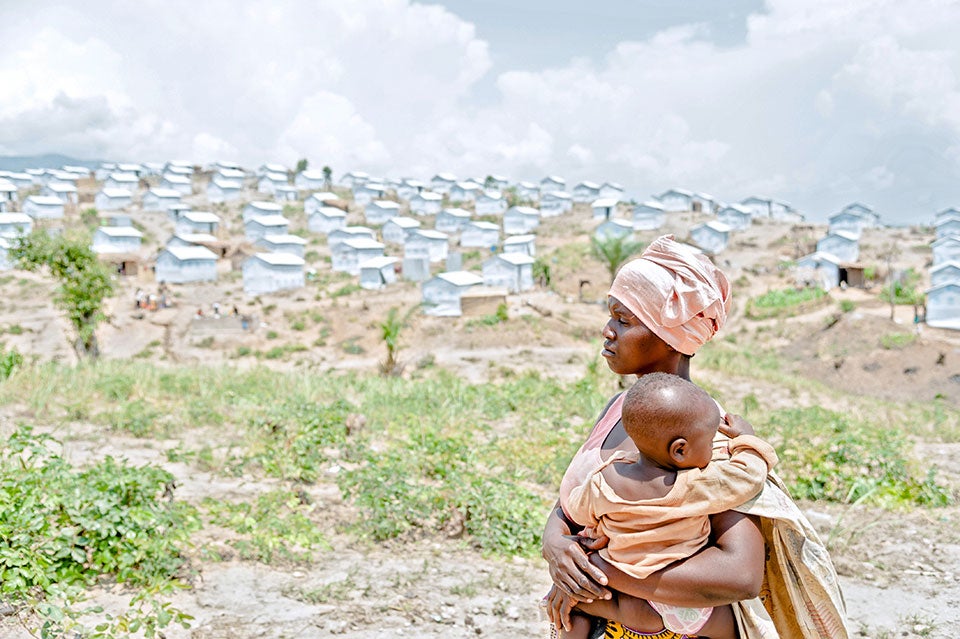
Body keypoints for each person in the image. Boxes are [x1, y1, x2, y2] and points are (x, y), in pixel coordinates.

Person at [541, 235, 850, 639]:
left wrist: (604, 574)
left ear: (669, 335)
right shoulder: (621, 410)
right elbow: (576, 502)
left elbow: (739, 574)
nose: (607, 330)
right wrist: (555, 544)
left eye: (624, 319)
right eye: (610, 316)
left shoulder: (710, 437)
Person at [556, 372, 778, 639]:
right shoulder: (694, 486)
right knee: (742, 627)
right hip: (680, 603)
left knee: (573, 606)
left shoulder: (604, 481)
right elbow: (747, 478)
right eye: (709, 443)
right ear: (680, 450)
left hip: (621, 595)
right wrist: (747, 441)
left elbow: (576, 511)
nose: (711, 451)